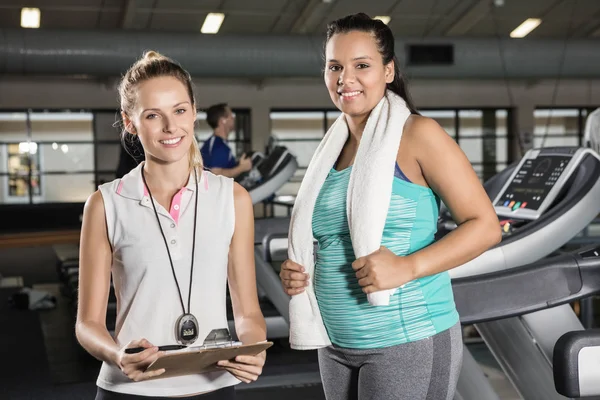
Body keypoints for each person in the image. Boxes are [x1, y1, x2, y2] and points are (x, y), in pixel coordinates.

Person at [279, 13, 501, 400]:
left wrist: (407, 266)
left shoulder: (418, 135)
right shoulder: (330, 149)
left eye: (361, 65)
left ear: (388, 70)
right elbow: (328, 239)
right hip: (335, 345)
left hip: (408, 337)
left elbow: (484, 226)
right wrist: (299, 272)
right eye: (335, 67)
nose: (345, 79)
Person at [76, 51, 267, 399]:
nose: (170, 127)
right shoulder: (105, 204)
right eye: (153, 115)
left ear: (194, 112)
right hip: (129, 389)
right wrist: (118, 355)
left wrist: (254, 347)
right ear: (130, 122)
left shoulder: (233, 198)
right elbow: (87, 324)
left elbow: (248, 313)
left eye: (179, 110)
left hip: (214, 386)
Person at [200, 103, 252, 178]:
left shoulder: (218, 143)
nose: (233, 118)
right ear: (223, 121)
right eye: (231, 115)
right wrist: (242, 168)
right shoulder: (218, 146)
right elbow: (215, 174)